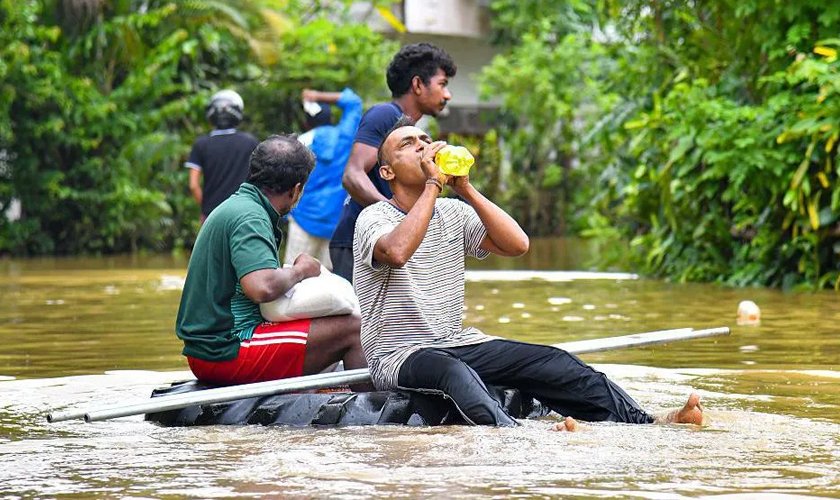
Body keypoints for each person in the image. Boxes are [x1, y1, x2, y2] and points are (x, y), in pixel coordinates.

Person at [352, 122, 705, 430]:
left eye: (425, 139)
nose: (422, 146)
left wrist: (465, 189)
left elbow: (517, 243)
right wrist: (432, 185)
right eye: (408, 144)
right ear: (387, 172)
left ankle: (649, 422)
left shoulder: (453, 211)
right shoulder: (374, 217)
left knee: (554, 361)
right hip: (399, 355)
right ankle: (518, 437)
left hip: (458, 342)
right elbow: (397, 253)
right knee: (451, 373)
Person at [176, 135, 371, 390]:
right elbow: (262, 287)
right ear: (297, 189)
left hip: (212, 347)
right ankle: (371, 416)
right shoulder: (250, 217)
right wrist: (302, 270)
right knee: (353, 329)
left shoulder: (241, 206)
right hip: (226, 350)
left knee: (328, 328)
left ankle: (325, 388)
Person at [329, 42, 456, 282]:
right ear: (418, 84)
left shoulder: (410, 130)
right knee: (360, 320)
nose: (447, 95)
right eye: (442, 84)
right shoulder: (385, 115)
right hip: (360, 243)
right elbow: (353, 176)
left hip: (385, 242)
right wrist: (398, 215)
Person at [284, 88, 364, 269]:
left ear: (306, 121)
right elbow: (354, 102)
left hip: (303, 217)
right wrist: (317, 95)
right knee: (326, 281)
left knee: (292, 277)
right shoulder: (346, 136)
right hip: (334, 221)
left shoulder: (298, 144)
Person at [185, 89, 259, 223]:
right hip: (243, 213)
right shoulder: (250, 142)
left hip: (212, 215)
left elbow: (193, 185)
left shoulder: (201, 144)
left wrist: (207, 209)